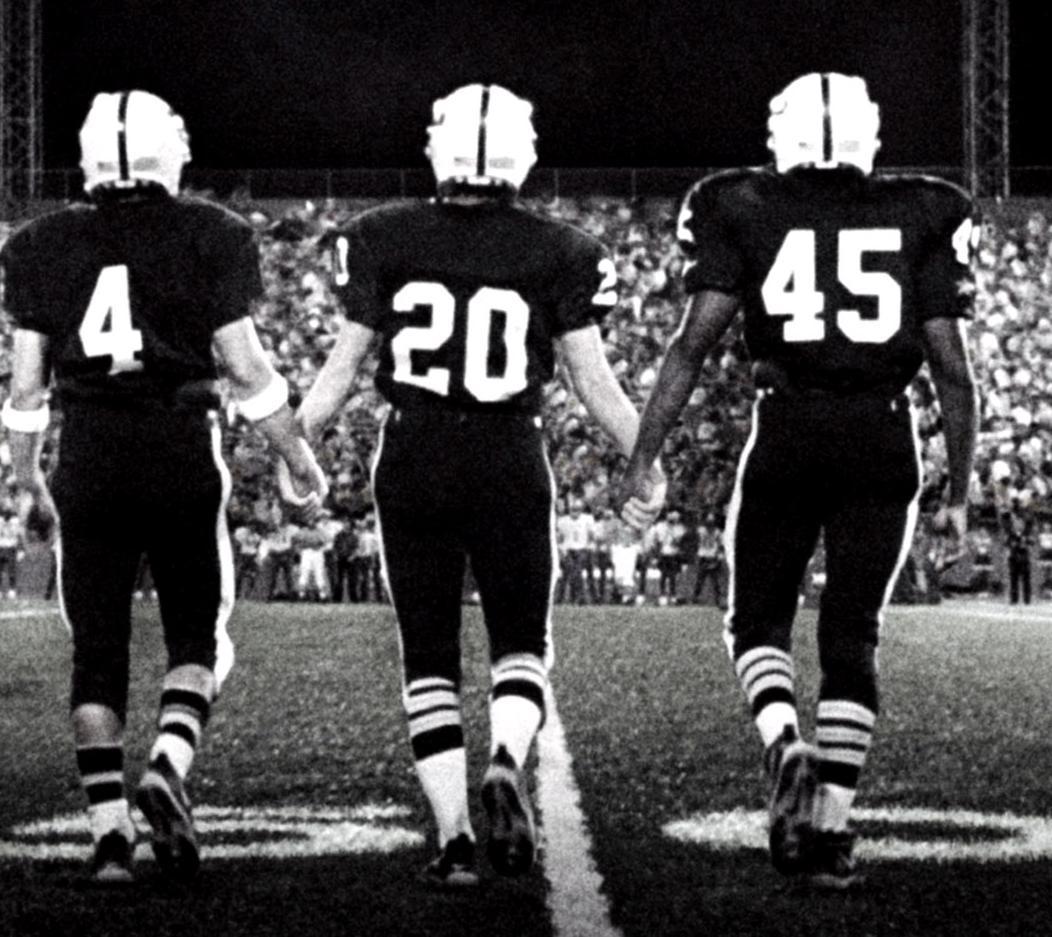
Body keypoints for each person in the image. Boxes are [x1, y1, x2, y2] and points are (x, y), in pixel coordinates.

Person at [296, 84, 664, 888]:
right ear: (517, 155)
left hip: (415, 450)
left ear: (442, 147)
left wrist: (297, 447)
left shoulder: (382, 236)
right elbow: (595, 384)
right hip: (508, 451)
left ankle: (456, 837)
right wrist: (647, 460)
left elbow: (341, 370)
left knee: (427, 652)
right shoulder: (562, 249)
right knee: (521, 642)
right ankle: (505, 755)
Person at [620, 72, 977, 895]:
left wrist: (644, 454)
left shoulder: (736, 202)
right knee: (853, 636)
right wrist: (959, 491)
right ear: (868, 134)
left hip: (787, 428)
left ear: (785, 133)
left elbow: (690, 346)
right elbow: (954, 374)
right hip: (884, 434)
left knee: (756, 619)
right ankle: (833, 829)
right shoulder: (927, 205)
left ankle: (783, 738)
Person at [1, 89, 326, 885]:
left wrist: (25, 481)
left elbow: (24, 389)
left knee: (98, 653)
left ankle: (109, 832)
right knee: (199, 636)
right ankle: (170, 762)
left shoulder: (40, 243)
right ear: (165, 151)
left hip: (88, 451)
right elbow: (247, 370)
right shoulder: (208, 231)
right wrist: (296, 454)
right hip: (178, 441)